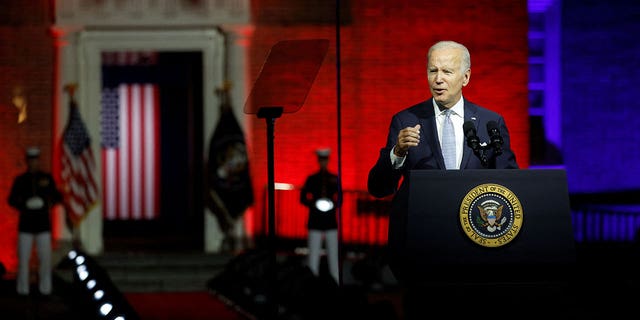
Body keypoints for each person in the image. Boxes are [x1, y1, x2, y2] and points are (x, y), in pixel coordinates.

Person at [367, 40, 519, 317]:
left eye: (447, 72)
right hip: (423, 251)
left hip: (477, 251)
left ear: (466, 77)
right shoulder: (405, 120)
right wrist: (397, 152)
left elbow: (511, 184)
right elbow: (378, 188)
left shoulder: (490, 122)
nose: (438, 79)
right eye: (432, 71)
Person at [8, 146, 63, 297]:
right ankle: (22, 290)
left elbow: (57, 197)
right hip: (25, 225)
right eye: (31, 160)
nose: (33, 163)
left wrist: (45, 203)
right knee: (23, 260)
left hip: (42, 224)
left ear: (38, 161)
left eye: (36, 160)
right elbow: (11, 200)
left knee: (45, 259)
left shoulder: (47, 178)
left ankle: (45, 289)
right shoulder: (20, 180)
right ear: (27, 162)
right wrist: (24, 203)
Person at [299, 148, 342, 284]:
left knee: (333, 256)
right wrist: (314, 204)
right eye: (321, 159)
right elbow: (303, 198)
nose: (323, 162)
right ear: (319, 160)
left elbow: (340, 199)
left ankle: (335, 284)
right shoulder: (312, 179)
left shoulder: (334, 178)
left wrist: (332, 204)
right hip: (315, 221)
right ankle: (312, 285)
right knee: (313, 257)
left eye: (325, 159)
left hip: (330, 222)